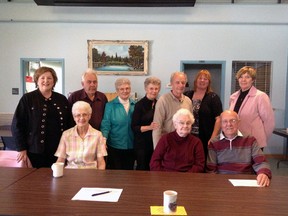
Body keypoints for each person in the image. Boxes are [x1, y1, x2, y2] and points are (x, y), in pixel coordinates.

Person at [12, 66, 72, 168]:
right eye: (42, 78)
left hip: (58, 151)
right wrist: (21, 149)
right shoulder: (27, 99)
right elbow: (17, 125)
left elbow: (69, 124)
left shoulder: (61, 99)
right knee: (34, 180)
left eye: (49, 78)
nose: (46, 81)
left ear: (54, 81)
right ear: (37, 80)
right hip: (34, 151)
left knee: (57, 180)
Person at [206, 110, 272, 187]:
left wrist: (263, 173)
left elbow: (261, 162)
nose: (229, 124)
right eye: (225, 121)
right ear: (220, 124)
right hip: (221, 184)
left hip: (246, 183)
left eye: (233, 121)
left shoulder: (250, 140)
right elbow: (211, 170)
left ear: (238, 122)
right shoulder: (214, 143)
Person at [229, 66, 275, 149]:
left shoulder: (260, 96)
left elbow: (269, 122)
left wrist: (262, 139)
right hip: (237, 139)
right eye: (241, 77)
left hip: (254, 142)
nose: (243, 80)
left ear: (253, 80)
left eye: (247, 77)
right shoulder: (233, 97)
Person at [54, 101, 107, 169]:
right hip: (71, 174)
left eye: (84, 114)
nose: (81, 118)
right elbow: (60, 161)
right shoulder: (66, 135)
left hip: (91, 174)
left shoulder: (98, 135)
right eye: (78, 115)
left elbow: (101, 162)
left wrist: (99, 178)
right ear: (74, 117)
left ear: (89, 116)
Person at [150, 108, 205, 172]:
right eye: (182, 123)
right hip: (166, 178)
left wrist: (185, 178)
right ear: (175, 125)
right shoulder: (165, 139)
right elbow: (154, 162)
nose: (185, 126)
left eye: (188, 123)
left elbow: (199, 165)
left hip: (188, 179)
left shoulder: (196, 142)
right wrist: (164, 177)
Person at [184, 69, 223, 158]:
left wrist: (213, 138)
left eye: (205, 79)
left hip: (205, 137)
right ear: (195, 80)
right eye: (200, 78)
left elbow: (218, 119)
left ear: (209, 82)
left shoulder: (213, 97)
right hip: (187, 135)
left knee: (202, 159)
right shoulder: (187, 95)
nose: (202, 80)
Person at [100, 78, 135, 170]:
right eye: (121, 89)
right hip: (115, 146)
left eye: (127, 88)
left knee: (129, 174)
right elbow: (106, 124)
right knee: (115, 174)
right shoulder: (110, 105)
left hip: (131, 145)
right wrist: (103, 140)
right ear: (117, 91)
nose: (125, 91)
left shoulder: (135, 105)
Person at [152, 72, 193, 149]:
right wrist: (157, 150)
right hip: (168, 144)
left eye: (183, 83)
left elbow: (189, 125)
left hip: (184, 144)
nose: (181, 85)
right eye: (177, 82)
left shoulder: (188, 101)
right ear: (171, 84)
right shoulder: (163, 101)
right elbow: (157, 127)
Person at [131, 77, 161, 170]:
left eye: (156, 89)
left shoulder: (159, 103)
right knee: (143, 169)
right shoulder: (139, 105)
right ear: (146, 89)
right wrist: (149, 127)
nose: (154, 91)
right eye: (151, 88)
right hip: (142, 145)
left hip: (155, 142)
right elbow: (134, 127)